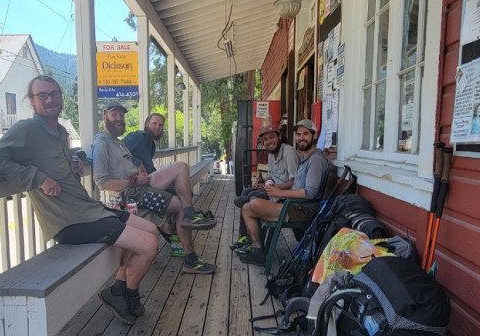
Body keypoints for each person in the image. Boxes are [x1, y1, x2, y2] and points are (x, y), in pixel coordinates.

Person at [0, 76, 158, 326]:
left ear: (61, 98)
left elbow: (56, 168)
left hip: (89, 210)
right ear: (32, 101)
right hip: (70, 221)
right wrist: (38, 178)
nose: (49, 99)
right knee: (148, 245)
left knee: (151, 229)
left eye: (54, 94)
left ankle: (118, 291)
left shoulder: (60, 132)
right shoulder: (26, 130)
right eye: (42, 95)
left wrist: (72, 167)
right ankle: (127, 294)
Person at [91, 102, 216, 275]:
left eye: (121, 115)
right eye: (114, 115)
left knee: (181, 167)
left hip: (142, 185)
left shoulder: (117, 142)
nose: (119, 118)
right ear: (104, 117)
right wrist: (134, 181)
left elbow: (131, 160)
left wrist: (139, 168)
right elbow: (102, 183)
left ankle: (189, 216)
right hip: (132, 194)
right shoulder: (101, 143)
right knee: (180, 204)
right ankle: (190, 258)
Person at [238, 118, 331, 266]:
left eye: (306, 134)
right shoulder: (307, 158)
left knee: (253, 204)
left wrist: (279, 193)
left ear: (314, 135)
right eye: (298, 134)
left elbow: (310, 193)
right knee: (247, 206)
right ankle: (257, 251)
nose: (301, 137)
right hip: (293, 205)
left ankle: (256, 250)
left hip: (303, 210)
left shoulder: (315, 160)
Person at [124, 112, 216, 232]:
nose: (158, 127)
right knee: (181, 168)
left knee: (184, 193)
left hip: (145, 180)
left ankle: (172, 226)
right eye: (154, 123)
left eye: (160, 125)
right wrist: (138, 164)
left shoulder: (150, 143)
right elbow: (121, 152)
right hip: (135, 188)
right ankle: (183, 217)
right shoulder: (138, 137)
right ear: (147, 124)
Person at [230, 124, 300, 254]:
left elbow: (296, 182)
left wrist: (276, 188)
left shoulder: (289, 153)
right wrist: (262, 183)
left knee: (251, 198)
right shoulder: (271, 153)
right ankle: (244, 238)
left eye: (272, 137)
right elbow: (272, 177)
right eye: (265, 139)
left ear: (279, 137)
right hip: (273, 191)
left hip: (284, 196)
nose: (269, 142)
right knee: (247, 191)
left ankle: (253, 242)